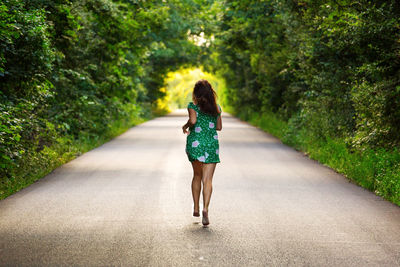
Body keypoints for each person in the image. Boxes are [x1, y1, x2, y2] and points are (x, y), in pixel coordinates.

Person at [182, 79, 222, 226]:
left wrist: (185, 126)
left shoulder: (192, 106)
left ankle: (196, 208)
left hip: (196, 144)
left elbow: (192, 121)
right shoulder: (217, 108)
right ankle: (206, 208)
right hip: (211, 144)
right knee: (208, 180)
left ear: (196, 94)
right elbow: (218, 127)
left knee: (197, 175)